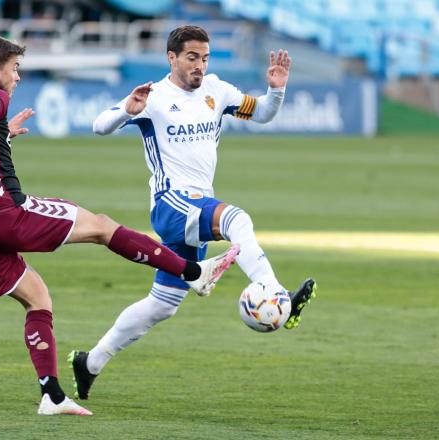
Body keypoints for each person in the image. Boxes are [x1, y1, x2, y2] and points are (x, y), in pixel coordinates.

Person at [0, 33, 239, 416]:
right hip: (3, 213)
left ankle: (52, 395)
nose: (18, 77)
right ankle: (193, 271)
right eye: (14, 69)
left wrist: (2, 136)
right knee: (101, 226)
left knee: (38, 299)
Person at [70, 25, 317, 401]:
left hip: (197, 206)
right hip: (172, 203)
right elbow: (98, 125)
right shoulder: (153, 97)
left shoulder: (217, 90)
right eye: (191, 57)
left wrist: (277, 89)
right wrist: (126, 110)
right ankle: (274, 291)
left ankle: (90, 363)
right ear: (171, 58)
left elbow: (263, 113)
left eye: (204, 57)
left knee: (162, 306)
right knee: (238, 220)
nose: (199, 65)